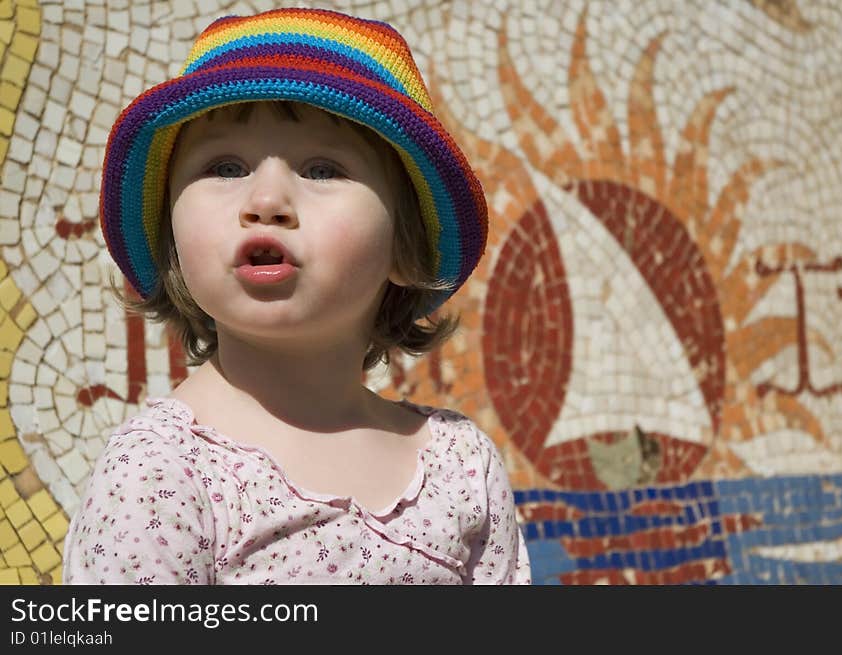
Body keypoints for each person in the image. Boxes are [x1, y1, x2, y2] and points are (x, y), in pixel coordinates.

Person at [62, 7, 531, 584]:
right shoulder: (160, 471)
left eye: (323, 169)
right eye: (225, 165)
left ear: (405, 251)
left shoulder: (461, 466)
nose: (266, 199)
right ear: (174, 238)